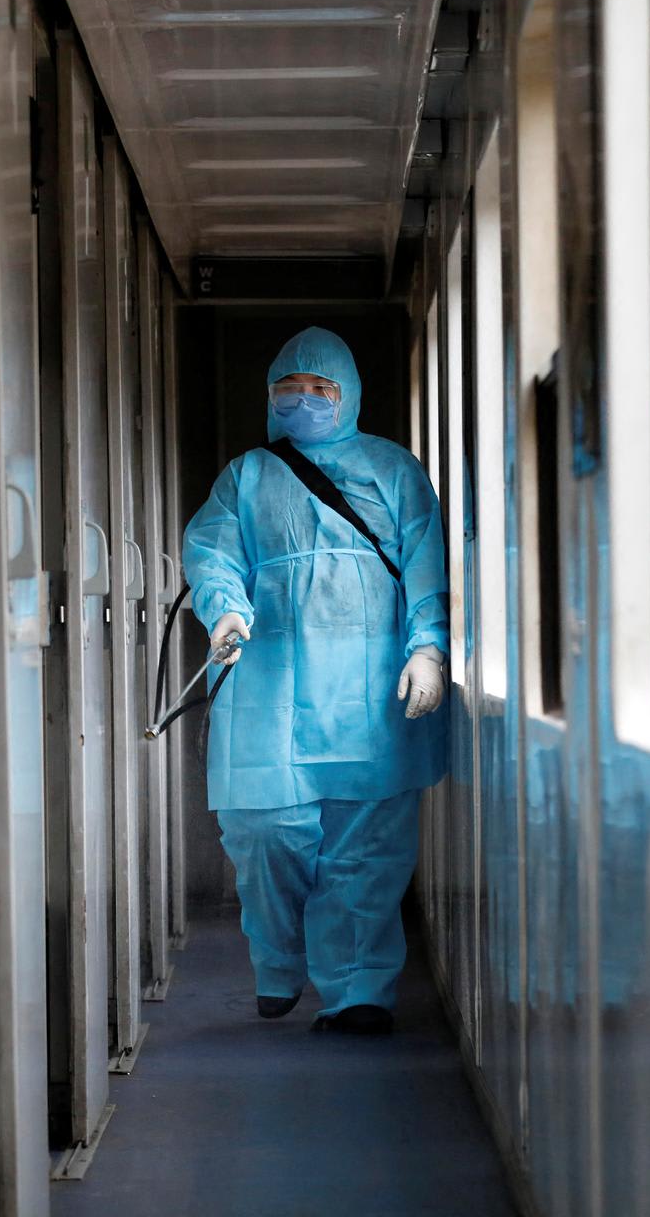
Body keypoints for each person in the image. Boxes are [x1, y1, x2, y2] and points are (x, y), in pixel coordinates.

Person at [182, 325, 449, 1035]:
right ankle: (278, 961)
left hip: (369, 693)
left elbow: (426, 567)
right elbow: (211, 552)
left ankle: (359, 991)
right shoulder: (247, 476)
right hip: (267, 681)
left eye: (321, 390)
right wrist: (225, 611)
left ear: (350, 395)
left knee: (365, 848)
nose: (304, 402)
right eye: (289, 391)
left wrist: (429, 649)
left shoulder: (394, 471)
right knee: (264, 830)